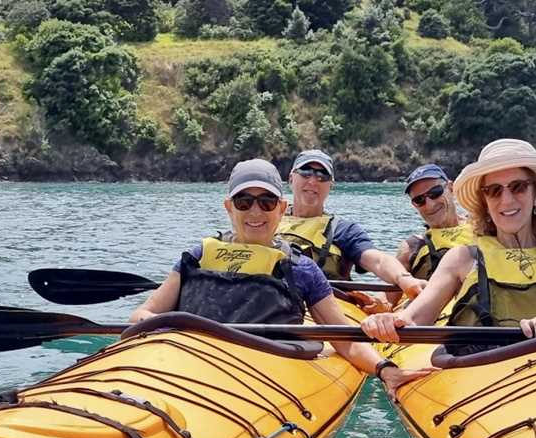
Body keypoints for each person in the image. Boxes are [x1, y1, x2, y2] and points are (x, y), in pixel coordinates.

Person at [130, 158, 437, 396]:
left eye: (266, 202)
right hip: (189, 362)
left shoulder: (301, 268)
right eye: (244, 202)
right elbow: (144, 313)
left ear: (281, 209)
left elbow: (344, 340)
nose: (255, 211)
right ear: (228, 207)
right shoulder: (197, 255)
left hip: (264, 371)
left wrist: (385, 369)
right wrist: (167, 336)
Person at [361, 139, 536, 353]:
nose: (506, 200)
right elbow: (415, 317)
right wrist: (387, 321)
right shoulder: (461, 258)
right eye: (494, 190)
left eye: (518, 187)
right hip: (482, 371)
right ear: (484, 200)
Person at [277, 150, 427, 309]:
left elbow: (377, 260)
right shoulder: (266, 219)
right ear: (291, 178)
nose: (313, 181)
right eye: (305, 173)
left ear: (331, 185)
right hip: (270, 298)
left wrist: (403, 278)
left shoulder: (343, 230)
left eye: (322, 176)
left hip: (320, 306)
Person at [387, 164, 473, 306]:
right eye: (419, 200)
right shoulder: (412, 247)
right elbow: (386, 300)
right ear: (414, 205)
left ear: (451, 188)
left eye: (435, 192)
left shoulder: (484, 228)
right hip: (436, 321)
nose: (429, 204)